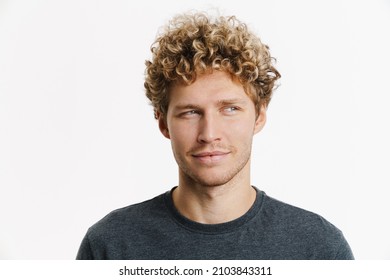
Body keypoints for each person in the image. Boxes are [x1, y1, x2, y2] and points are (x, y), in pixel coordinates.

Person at [76, 12, 354, 260]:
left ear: (259, 116)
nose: (209, 134)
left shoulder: (319, 250)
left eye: (230, 109)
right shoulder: (110, 246)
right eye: (190, 112)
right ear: (163, 123)